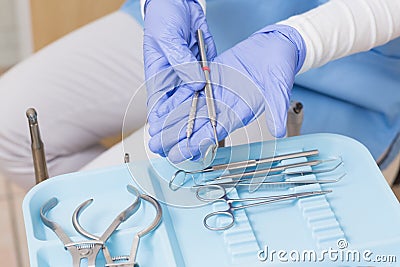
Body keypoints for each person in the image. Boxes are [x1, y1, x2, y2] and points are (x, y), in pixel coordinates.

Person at [0, 0, 399, 189]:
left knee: (114, 202)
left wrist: (297, 39)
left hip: (341, 64)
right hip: (211, 16)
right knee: (8, 126)